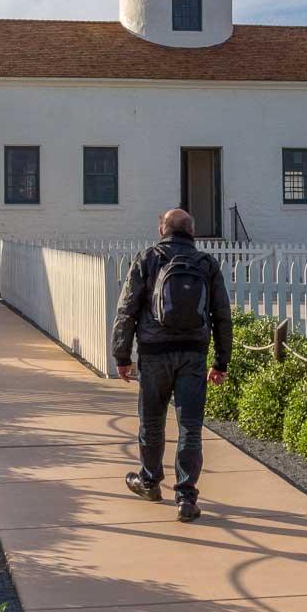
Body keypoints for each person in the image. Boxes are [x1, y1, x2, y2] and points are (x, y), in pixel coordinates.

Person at [111, 208, 233, 522]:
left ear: (163, 229)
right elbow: (221, 316)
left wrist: (122, 356)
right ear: (191, 232)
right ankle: (186, 498)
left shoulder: (148, 258)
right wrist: (221, 362)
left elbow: (127, 310)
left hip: (153, 353)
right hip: (193, 354)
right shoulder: (206, 264)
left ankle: (150, 482)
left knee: (151, 422)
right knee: (190, 428)